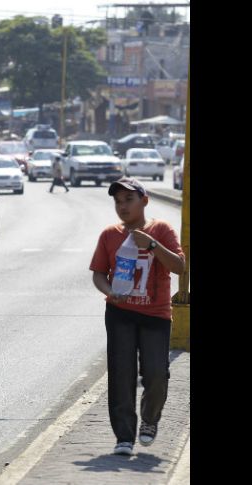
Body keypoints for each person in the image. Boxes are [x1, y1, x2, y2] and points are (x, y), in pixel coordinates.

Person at [89, 177, 185, 457]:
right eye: (118, 201)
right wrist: (109, 292)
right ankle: (124, 436)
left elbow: (179, 267)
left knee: (156, 374)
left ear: (144, 201)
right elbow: (98, 273)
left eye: (129, 200)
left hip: (155, 315)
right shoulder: (109, 235)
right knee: (121, 374)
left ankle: (150, 419)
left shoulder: (161, 229)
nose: (122, 206)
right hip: (120, 314)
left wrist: (152, 244)